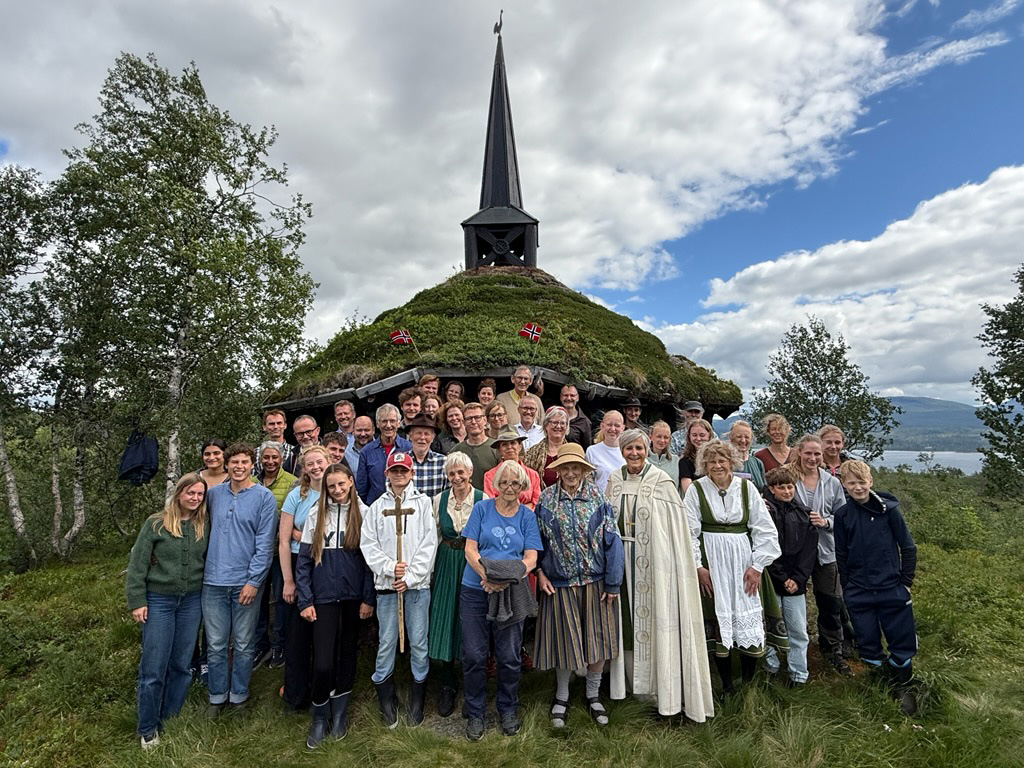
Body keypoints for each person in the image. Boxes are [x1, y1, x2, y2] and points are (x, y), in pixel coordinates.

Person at [605, 431, 714, 721]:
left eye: (639, 447)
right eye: (629, 448)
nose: (634, 453)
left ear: (647, 449)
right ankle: (626, 686)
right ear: (622, 450)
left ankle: (659, 690)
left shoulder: (662, 482)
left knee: (656, 623)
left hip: (654, 565)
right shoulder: (614, 481)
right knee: (625, 624)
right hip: (620, 564)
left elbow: (672, 532)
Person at [683, 440, 784, 698]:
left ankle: (748, 683)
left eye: (722, 460)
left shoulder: (746, 488)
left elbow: (764, 529)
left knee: (746, 616)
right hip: (711, 561)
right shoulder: (696, 490)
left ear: (731, 462)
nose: (717, 465)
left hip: (743, 561)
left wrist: (758, 566)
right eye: (711, 461)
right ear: (704, 465)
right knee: (719, 618)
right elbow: (689, 532)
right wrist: (698, 566)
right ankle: (726, 685)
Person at [534, 443, 623, 728]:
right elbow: (536, 544)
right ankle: (561, 696)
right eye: (565, 468)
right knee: (563, 642)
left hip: (595, 583)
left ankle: (593, 695)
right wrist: (540, 572)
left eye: (576, 468)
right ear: (557, 470)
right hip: (559, 584)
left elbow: (613, 541)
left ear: (584, 471)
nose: (570, 472)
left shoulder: (597, 498)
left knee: (597, 642)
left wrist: (613, 583)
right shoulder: (546, 500)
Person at [126, 473, 208, 749]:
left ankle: (170, 717)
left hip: (191, 601)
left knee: (182, 664)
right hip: (159, 600)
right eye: (191, 493)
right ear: (179, 493)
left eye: (200, 494)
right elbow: (137, 564)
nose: (195, 498)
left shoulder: (202, 525)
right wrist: (137, 600)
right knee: (153, 666)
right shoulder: (156, 523)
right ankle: (147, 727)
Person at [461, 460, 542, 740]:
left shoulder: (527, 517)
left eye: (515, 483)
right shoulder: (482, 509)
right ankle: (475, 712)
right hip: (475, 589)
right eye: (504, 482)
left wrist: (504, 579)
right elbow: (470, 549)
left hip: (511, 591)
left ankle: (508, 708)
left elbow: (531, 558)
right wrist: (487, 576)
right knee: (474, 655)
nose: (509, 488)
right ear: (496, 485)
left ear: (523, 487)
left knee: (509, 656)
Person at [295, 463, 375, 747]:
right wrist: (305, 600)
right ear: (326, 488)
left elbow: (369, 563)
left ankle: (339, 714)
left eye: (342, 484)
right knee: (324, 661)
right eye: (332, 486)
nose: (337, 490)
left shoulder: (364, 514)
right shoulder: (316, 514)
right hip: (323, 598)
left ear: (351, 482)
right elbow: (303, 563)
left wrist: (368, 598)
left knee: (347, 654)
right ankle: (319, 716)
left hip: (354, 598)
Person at [835, 460, 919, 715]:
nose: (858, 487)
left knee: (901, 641)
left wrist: (905, 581)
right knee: (867, 643)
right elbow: (841, 553)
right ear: (844, 485)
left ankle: (903, 687)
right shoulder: (842, 515)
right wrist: (848, 587)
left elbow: (908, 546)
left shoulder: (889, 510)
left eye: (862, 482)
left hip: (891, 587)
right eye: (852, 483)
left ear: (870, 482)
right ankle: (882, 684)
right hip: (858, 591)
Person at [361, 452, 438, 727]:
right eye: (394, 470)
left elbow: (430, 543)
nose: (399, 475)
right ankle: (386, 695)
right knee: (386, 643)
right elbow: (368, 545)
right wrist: (390, 567)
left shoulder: (423, 503)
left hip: (416, 587)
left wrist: (412, 576)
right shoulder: (375, 507)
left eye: (403, 470)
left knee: (418, 642)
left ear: (412, 473)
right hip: (387, 586)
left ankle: (418, 697)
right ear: (386, 474)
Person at [202, 443, 277, 717]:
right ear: (227, 464)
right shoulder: (213, 495)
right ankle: (217, 696)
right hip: (212, 581)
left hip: (245, 582)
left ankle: (239, 695)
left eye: (244, 462)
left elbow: (264, 544)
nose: (239, 467)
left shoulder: (263, 497)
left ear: (252, 464)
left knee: (244, 644)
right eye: (234, 462)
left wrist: (254, 581)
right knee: (216, 643)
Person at [428, 452, 485, 717]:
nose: (457, 477)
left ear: (470, 472)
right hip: (446, 561)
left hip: (472, 562)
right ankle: (448, 684)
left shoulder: (483, 499)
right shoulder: (438, 500)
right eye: (452, 473)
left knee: (470, 619)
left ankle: (472, 683)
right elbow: (433, 536)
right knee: (445, 619)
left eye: (461, 472)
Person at [792, 433, 851, 676]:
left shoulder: (832, 483)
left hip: (826, 550)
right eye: (808, 453)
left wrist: (825, 521)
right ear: (800, 453)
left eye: (817, 454)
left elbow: (844, 517)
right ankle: (793, 650)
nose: (813, 458)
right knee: (792, 602)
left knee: (830, 601)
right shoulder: (788, 478)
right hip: (794, 553)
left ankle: (832, 650)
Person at [279, 446, 329, 712]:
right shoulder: (296, 496)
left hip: (328, 565)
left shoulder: (338, 489)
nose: (315, 467)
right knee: (297, 634)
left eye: (319, 462)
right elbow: (284, 540)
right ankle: (296, 694)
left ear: (328, 461)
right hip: (300, 565)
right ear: (303, 468)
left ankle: (321, 693)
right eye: (309, 464)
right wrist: (288, 580)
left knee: (323, 631)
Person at [762, 465, 817, 687]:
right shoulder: (764, 512)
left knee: (797, 628)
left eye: (790, 486)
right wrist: (782, 577)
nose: (786, 491)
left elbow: (809, 550)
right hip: (772, 579)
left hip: (797, 581)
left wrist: (799, 578)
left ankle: (798, 673)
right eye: (781, 487)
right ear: (771, 489)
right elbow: (765, 547)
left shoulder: (804, 513)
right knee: (770, 626)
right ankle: (770, 666)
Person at [254, 442, 298, 670]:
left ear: (282, 459)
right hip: (256, 552)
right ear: (260, 459)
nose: (270, 461)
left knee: (282, 599)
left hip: (280, 550)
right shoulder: (252, 483)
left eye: (274, 457)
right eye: (266, 457)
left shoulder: (291, 482)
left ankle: (280, 644)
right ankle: (260, 645)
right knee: (257, 600)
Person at [356, 404, 412, 505]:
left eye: (392, 421)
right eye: (384, 421)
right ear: (377, 424)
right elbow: (362, 486)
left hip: (404, 506)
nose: (388, 425)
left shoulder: (408, 448)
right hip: (374, 507)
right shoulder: (367, 451)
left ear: (399, 423)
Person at [483, 426, 541, 509]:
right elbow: (491, 504)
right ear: (499, 450)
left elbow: (537, 503)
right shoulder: (490, 476)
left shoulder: (533, 475)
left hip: (527, 519)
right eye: (504, 444)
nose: (509, 447)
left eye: (513, 443)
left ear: (520, 446)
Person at [452, 402, 498, 488]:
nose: (473, 422)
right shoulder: (456, 451)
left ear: (484, 420)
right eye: (469, 418)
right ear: (464, 422)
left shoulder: (496, 447)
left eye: (477, 418)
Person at [524, 406, 570, 488]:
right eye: (555, 422)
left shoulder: (573, 452)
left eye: (562, 423)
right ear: (546, 425)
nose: (558, 426)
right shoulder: (532, 453)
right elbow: (526, 481)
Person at [406, 413, 448, 498]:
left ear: (433, 437)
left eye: (427, 434)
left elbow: (449, 494)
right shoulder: (401, 462)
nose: (422, 437)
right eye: (418, 433)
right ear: (410, 436)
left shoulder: (444, 462)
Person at [586, 410, 626, 491]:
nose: (613, 429)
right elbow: (588, 482)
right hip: (601, 500)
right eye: (609, 424)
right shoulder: (592, 451)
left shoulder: (629, 451)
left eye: (617, 425)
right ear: (602, 426)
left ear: (623, 428)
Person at [678, 418, 714, 495]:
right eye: (694, 435)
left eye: (702, 435)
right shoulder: (685, 462)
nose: (698, 438)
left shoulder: (716, 460)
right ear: (689, 437)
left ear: (709, 435)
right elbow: (688, 491)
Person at [728, 420, 766, 491]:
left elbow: (764, 489)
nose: (743, 440)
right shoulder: (725, 463)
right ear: (731, 438)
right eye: (739, 436)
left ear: (751, 439)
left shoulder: (757, 463)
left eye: (747, 437)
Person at [647, 420, 679, 490]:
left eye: (666, 437)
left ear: (670, 439)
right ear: (651, 437)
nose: (662, 440)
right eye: (658, 436)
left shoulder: (676, 460)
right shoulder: (644, 460)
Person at [560, 384, 592, 449]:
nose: (569, 398)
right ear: (561, 397)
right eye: (565, 395)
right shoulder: (553, 417)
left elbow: (587, 448)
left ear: (577, 398)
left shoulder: (584, 422)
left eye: (572, 395)